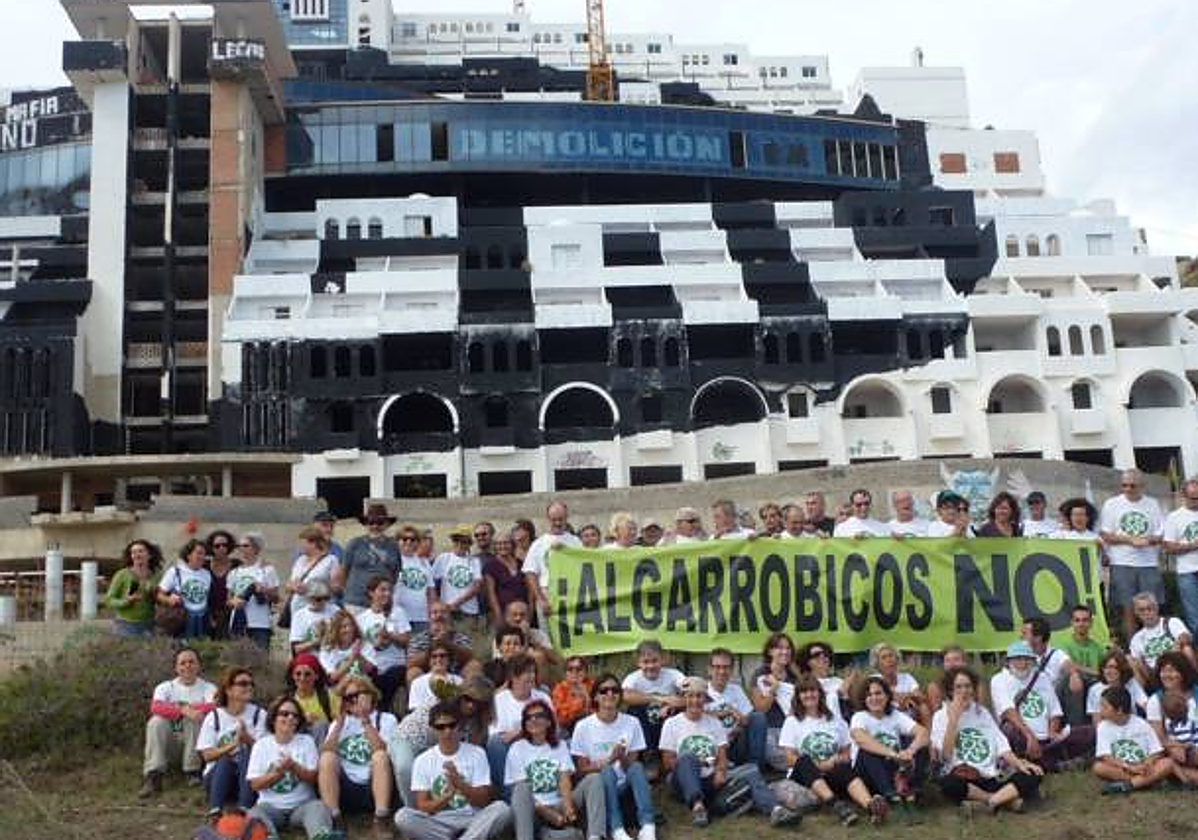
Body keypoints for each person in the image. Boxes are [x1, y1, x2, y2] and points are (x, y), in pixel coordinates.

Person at [661, 677, 798, 828]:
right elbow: (669, 762)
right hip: (684, 781)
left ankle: (776, 810)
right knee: (687, 757)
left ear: (705, 699)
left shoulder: (713, 723)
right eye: (690, 696)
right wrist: (698, 764)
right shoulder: (672, 723)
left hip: (711, 779)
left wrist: (720, 771)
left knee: (751, 770)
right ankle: (698, 808)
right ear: (683, 698)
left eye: (699, 696)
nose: (695, 700)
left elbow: (722, 755)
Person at [931, 667, 1042, 816]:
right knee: (948, 784)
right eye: (958, 687)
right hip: (965, 777)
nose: (964, 691)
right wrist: (953, 720)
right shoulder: (940, 716)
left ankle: (989, 803)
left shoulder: (981, 712)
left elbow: (1001, 745)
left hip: (992, 775)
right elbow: (945, 756)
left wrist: (1019, 763)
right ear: (950, 690)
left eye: (968, 686)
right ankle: (1005, 800)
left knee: (1033, 772)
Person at [396, 701, 513, 840]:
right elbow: (423, 807)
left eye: (452, 725)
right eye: (441, 727)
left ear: (460, 726)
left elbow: (484, 800)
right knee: (403, 817)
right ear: (433, 729)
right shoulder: (422, 760)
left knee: (502, 809)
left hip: (473, 818)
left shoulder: (477, 753)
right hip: (439, 821)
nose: (448, 731)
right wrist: (447, 796)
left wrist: (460, 784)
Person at [571, 674, 656, 840]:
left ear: (620, 695)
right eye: (604, 691)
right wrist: (609, 760)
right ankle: (617, 829)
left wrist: (621, 757)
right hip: (599, 788)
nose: (610, 694)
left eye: (615, 690)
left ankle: (647, 825)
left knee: (638, 767)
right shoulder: (583, 727)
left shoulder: (632, 723)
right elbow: (581, 770)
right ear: (595, 696)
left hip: (624, 784)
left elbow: (631, 766)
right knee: (607, 771)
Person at [507, 700, 606, 840]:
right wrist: (546, 812)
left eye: (539, 715)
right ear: (525, 724)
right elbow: (520, 792)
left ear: (548, 721)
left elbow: (563, 777)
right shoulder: (517, 748)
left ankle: (595, 836)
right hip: (532, 812)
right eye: (528, 718)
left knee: (594, 779)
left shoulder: (559, 745)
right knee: (522, 788)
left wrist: (567, 806)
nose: (533, 719)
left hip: (558, 804)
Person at [780, 675, 870, 826]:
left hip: (831, 773)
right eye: (804, 692)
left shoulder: (836, 720)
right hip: (804, 777)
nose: (809, 695)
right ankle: (836, 805)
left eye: (813, 691)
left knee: (843, 767)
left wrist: (837, 759)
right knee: (804, 760)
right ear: (798, 697)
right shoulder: (792, 721)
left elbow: (847, 753)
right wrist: (819, 764)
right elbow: (789, 758)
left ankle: (871, 805)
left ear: (820, 694)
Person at [990, 640, 1089, 771]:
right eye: (1018, 659)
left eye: (1027, 659)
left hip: (1046, 737)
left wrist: (1052, 731)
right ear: (1008, 661)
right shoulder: (999, 680)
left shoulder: (1041, 677)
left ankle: (1045, 759)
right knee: (1011, 730)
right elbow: (1008, 712)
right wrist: (1029, 736)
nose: (1023, 664)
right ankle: (1053, 763)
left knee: (1090, 732)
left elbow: (1055, 711)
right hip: (1022, 736)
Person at [318, 675, 397, 838]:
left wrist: (365, 721)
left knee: (380, 756)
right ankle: (334, 817)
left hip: (374, 786)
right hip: (345, 789)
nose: (353, 701)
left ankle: (380, 818)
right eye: (348, 698)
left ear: (370, 695)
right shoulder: (339, 723)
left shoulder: (387, 719)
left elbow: (383, 750)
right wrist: (339, 724)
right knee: (327, 758)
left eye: (356, 695)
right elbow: (326, 751)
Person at [246, 695, 334, 840]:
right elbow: (254, 784)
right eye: (285, 714)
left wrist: (293, 767)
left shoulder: (307, 741)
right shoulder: (261, 745)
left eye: (295, 715)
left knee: (319, 807)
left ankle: (321, 835)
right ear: (273, 717)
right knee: (253, 814)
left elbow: (313, 778)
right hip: (270, 807)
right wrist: (276, 775)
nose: (290, 718)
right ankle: (268, 837)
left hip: (302, 805)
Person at [848, 676, 930, 824]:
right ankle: (893, 799)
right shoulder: (860, 716)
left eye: (878, 693)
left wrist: (910, 751)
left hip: (894, 770)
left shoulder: (895, 716)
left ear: (887, 696)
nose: (874, 698)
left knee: (922, 747)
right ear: (864, 699)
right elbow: (860, 738)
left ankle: (911, 794)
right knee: (868, 750)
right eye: (869, 695)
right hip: (867, 774)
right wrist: (893, 754)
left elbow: (923, 733)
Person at [139, 647, 217, 798]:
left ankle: (192, 772)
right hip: (169, 745)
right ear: (176, 667)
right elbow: (156, 707)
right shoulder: (165, 687)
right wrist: (182, 710)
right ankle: (154, 776)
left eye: (191, 662)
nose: (187, 666)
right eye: (182, 663)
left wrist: (185, 710)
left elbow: (213, 706)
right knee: (156, 722)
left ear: (198, 665)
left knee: (195, 718)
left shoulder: (208, 688)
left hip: (197, 747)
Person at [1100, 469, 1166, 639]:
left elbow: (1161, 534)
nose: (1128, 489)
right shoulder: (1112, 504)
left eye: (1132, 485)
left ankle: (1153, 648)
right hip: (1121, 563)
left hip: (1148, 564)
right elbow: (1106, 534)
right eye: (1124, 485)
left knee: (1150, 610)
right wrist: (1130, 540)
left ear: (1142, 486)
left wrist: (1147, 540)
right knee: (1128, 611)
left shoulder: (1153, 504)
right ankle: (1132, 651)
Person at [196, 667, 266, 816]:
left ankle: (244, 808)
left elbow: (266, 753)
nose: (249, 687)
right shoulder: (214, 716)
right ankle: (215, 809)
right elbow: (206, 756)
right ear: (228, 690)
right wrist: (232, 746)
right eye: (243, 683)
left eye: (251, 684)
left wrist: (247, 739)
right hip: (217, 779)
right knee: (226, 759)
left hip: (249, 779)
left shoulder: (259, 715)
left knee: (247, 753)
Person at [486, 654, 553, 793]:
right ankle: (508, 794)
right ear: (513, 676)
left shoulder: (543, 697)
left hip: (539, 746)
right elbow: (499, 737)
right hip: (512, 751)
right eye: (526, 672)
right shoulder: (499, 700)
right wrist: (529, 731)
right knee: (495, 743)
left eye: (533, 672)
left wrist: (521, 731)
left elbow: (553, 728)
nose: (531, 676)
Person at [1092, 686, 1174, 794]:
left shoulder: (1141, 723)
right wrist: (1130, 767)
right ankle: (1146, 782)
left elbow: (1157, 751)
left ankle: (1128, 785)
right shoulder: (1103, 726)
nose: (1100, 709)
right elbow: (1106, 756)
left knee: (1167, 763)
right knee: (1099, 767)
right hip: (1123, 768)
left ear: (1119, 710)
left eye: (1104, 706)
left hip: (1145, 767)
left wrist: (1147, 764)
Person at [621, 640, 685, 759]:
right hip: (645, 725)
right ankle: (648, 753)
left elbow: (690, 692)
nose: (650, 666)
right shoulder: (633, 678)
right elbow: (624, 696)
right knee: (634, 709)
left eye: (655, 661)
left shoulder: (673, 674)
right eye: (646, 662)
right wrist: (661, 699)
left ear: (663, 659)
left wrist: (671, 705)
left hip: (667, 720)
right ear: (638, 663)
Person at [356, 576, 411, 714]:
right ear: (371, 593)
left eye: (389, 590)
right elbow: (359, 647)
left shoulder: (398, 613)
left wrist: (390, 636)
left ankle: (382, 710)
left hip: (394, 666)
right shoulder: (361, 618)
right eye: (382, 590)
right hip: (371, 667)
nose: (387, 594)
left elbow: (406, 641)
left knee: (392, 676)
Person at [705, 648, 766, 768]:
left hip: (735, 744)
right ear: (709, 669)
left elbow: (747, 720)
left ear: (732, 670)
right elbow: (695, 719)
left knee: (758, 717)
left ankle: (755, 767)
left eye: (726, 667)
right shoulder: (701, 690)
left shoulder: (736, 690)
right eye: (717, 667)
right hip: (711, 746)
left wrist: (739, 721)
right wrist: (727, 712)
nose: (722, 671)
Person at [750, 632, 802, 771]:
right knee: (779, 755)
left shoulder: (794, 675)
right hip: (770, 730)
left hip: (792, 729)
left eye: (788, 648)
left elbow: (801, 705)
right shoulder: (761, 674)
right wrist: (774, 689)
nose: (785, 652)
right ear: (770, 651)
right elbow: (761, 709)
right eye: (779, 648)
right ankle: (804, 768)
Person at [522, 501, 582, 620]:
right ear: (548, 519)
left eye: (561, 519)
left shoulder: (576, 542)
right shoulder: (538, 544)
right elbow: (530, 573)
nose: (558, 523)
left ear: (566, 518)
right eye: (554, 519)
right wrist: (540, 599)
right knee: (548, 635)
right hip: (547, 593)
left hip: (572, 593)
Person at [337, 504, 401, 612]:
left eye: (379, 523)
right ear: (366, 524)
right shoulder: (355, 544)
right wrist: (348, 592)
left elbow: (396, 573)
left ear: (386, 524)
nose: (375, 526)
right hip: (356, 602)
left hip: (382, 603)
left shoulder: (393, 546)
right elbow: (343, 571)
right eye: (371, 522)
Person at [1128, 591, 1194, 687]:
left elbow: (1187, 637)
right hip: (1154, 674)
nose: (1146, 612)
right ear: (1136, 613)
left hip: (1177, 666)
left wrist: (1179, 643)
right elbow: (1138, 663)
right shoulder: (1136, 638)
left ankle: (1193, 683)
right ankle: (1141, 698)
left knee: (1187, 650)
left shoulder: (1172, 622)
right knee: (1131, 660)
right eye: (1142, 610)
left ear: (1156, 608)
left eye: (1150, 608)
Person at [226, 532, 278, 649]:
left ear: (256, 549)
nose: (241, 549)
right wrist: (234, 602)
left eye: (246, 546)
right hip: (238, 622)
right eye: (240, 546)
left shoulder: (267, 570)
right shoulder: (234, 572)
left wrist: (264, 590)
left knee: (260, 659)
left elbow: (276, 597)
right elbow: (228, 600)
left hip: (260, 623)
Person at [1056, 605, 1105, 726]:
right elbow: (1067, 666)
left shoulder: (1098, 647)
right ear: (1072, 623)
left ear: (1091, 623)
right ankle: (1076, 728)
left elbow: (1104, 671)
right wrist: (1090, 671)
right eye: (1077, 620)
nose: (1081, 624)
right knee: (1074, 677)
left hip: (1091, 685)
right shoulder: (1063, 644)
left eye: (1085, 620)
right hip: (1067, 688)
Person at [408, 600, 478, 682]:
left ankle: (466, 695)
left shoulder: (461, 636)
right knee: (412, 672)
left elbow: (470, 657)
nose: (439, 615)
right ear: (429, 617)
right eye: (435, 612)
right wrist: (433, 646)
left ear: (450, 617)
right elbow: (411, 663)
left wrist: (448, 644)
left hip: (456, 673)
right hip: (427, 674)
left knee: (474, 666)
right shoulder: (418, 638)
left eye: (443, 612)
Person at [106, 539, 162, 637]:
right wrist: (127, 601)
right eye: (133, 552)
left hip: (149, 625)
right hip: (125, 625)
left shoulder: (157, 576)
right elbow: (109, 600)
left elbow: (162, 599)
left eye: (140, 551)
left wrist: (154, 595)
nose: (136, 555)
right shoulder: (122, 574)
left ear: (150, 555)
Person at [158, 539, 213, 639]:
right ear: (188, 555)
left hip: (201, 620)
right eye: (199, 553)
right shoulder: (175, 571)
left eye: (204, 554)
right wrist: (169, 600)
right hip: (182, 619)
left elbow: (205, 598)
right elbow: (159, 594)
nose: (202, 557)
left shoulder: (207, 574)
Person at [287, 526, 341, 627]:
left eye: (303, 543)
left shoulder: (331, 560)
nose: (300, 546)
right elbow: (289, 583)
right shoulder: (300, 560)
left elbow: (336, 587)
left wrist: (310, 589)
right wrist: (294, 587)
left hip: (320, 608)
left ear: (314, 543)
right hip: (298, 608)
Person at [1164, 478, 1198, 634]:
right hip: (1187, 572)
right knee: (1194, 618)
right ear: (1184, 496)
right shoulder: (1174, 517)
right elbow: (1169, 548)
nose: (1197, 501)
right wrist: (1193, 545)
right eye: (1193, 498)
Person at [435, 525, 484, 627]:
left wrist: (457, 603)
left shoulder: (474, 561)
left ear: (469, 544)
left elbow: (476, 587)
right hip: (447, 611)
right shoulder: (443, 558)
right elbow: (432, 583)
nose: (459, 544)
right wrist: (439, 604)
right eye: (456, 540)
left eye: (464, 541)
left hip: (468, 611)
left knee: (467, 642)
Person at [288, 653, 339, 745]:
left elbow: (338, 723)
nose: (302, 678)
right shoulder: (287, 699)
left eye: (307, 674)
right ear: (292, 676)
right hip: (294, 744)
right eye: (298, 674)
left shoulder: (328, 697)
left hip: (323, 744)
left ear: (316, 676)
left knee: (320, 725)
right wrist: (302, 721)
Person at [871, 643, 927, 726]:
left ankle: (929, 737)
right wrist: (896, 698)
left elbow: (920, 696)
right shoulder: (874, 679)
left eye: (891, 656)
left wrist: (907, 697)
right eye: (884, 657)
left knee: (924, 708)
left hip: (909, 720)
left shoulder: (907, 677)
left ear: (897, 660)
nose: (889, 660)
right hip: (885, 719)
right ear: (877, 663)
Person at [1086, 650, 1148, 726]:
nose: (1108, 671)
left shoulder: (1132, 684)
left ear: (1122, 669)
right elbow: (1097, 721)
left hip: (1131, 727)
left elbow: (1146, 705)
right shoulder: (1095, 690)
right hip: (1109, 729)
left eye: (1113, 667)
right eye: (1105, 667)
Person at [1146, 652, 1198, 741]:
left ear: (1183, 672)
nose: (1167, 675)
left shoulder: (1196, 692)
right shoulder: (1155, 700)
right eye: (1163, 671)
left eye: (1171, 670)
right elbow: (1159, 739)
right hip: (1178, 749)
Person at [319, 609, 374, 692]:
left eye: (351, 625)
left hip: (363, 690)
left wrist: (359, 656)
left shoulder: (364, 645)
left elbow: (371, 672)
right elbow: (331, 678)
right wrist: (352, 659)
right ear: (335, 630)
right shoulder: (327, 650)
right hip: (337, 689)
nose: (348, 630)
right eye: (343, 627)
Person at [397, 523, 438, 632]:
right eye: (404, 539)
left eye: (412, 539)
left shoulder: (424, 563)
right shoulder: (393, 560)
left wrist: (433, 615)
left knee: (421, 648)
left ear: (417, 542)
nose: (408, 542)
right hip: (399, 617)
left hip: (422, 618)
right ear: (398, 541)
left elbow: (431, 592)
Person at [796, 641, 851, 717]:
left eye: (825, 654)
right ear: (808, 662)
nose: (822, 656)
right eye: (816, 655)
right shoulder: (804, 683)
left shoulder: (839, 681)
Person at [482, 531, 525, 627]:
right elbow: (491, 594)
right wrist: (499, 616)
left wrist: (529, 611)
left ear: (512, 544)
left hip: (522, 612)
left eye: (506, 543)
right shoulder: (490, 566)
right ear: (495, 547)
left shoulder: (520, 563)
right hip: (505, 613)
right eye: (498, 544)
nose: (502, 546)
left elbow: (527, 588)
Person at [409, 642, 465, 711]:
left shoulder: (459, 681)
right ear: (429, 660)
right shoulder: (417, 683)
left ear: (449, 659)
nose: (438, 659)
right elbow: (414, 709)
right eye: (434, 656)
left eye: (442, 656)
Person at [1158, 690, 1198, 786]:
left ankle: (1185, 780)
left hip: (1191, 752)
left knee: (1178, 753)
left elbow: (1188, 743)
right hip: (1187, 752)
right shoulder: (1170, 723)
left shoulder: (1186, 724)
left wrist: (1172, 744)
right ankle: (1186, 781)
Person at [290, 580, 340, 656]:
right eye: (318, 599)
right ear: (309, 598)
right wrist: (316, 642)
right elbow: (296, 648)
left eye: (326, 598)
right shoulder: (299, 615)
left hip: (331, 655)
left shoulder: (335, 610)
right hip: (310, 657)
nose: (323, 602)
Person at [206, 530, 239, 640]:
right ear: (211, 547)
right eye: (217, 545)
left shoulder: (237, 565)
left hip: (230, 615)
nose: (221, 548)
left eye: (225, 545)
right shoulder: (204, 565)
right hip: (206, 615)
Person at [551, 656, 594, 734]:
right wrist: (580, 701)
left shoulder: (593, 685)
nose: (574, 672)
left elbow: (599, 711)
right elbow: (561, 718)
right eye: (570, 669)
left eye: (579, 669)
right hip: (567, 730)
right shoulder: (560, 688)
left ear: (586, 672)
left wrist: (586, 696)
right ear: (566, 673)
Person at [924, 645, 969, 712]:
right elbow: (936, 712)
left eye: (956, 659)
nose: (952, 664)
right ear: (944, 664)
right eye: (947, 660)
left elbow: (979, 709)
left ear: (964, 663)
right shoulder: (936, 686)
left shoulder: (974, 684)